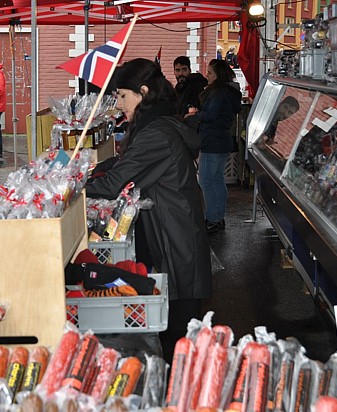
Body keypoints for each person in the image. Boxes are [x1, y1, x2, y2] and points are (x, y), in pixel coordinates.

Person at [85, 58, 211, 363]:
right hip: (173, 227)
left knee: (182, 332)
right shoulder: (157, 123)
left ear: (142, 92)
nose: (119, 104)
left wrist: (73, 186)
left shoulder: (155, 132)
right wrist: (94, 169)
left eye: (123, 96)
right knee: (178, 319)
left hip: (175, 234)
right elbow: (125, 164)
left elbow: (116, 182)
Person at [191, 59, 242, 233]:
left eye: (210, 72)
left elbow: (211, 115)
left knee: (206, 180)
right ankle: (218, 217)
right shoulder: (230, 92)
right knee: (218, 181)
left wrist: (196, 114)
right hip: (223, 140)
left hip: (212, 140)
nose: (207, 75)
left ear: (218, 74)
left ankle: (212, 218)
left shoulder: (218, 93)